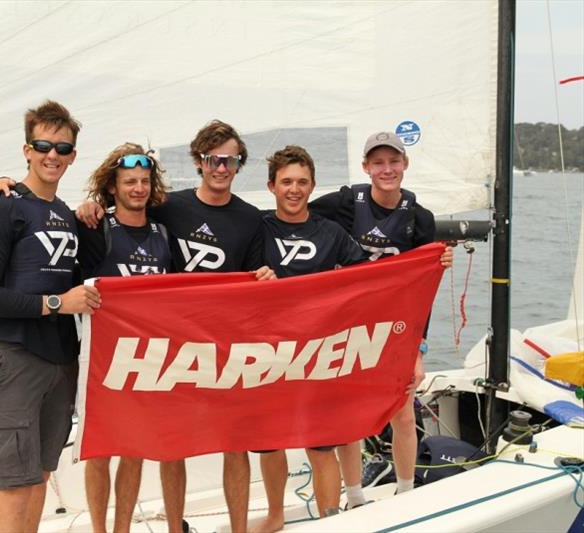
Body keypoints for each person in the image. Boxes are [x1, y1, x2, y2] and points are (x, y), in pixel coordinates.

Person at [77, 120, 275, 533]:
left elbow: (259, 280)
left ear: (239, 164)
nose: (221, 167)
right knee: (147, 448)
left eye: (230, 160)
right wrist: (86, 207)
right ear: (199, 162)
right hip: (142, 351)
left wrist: (265, 278)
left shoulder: (249, 219)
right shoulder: (170, 209)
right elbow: (110, 215)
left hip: (219, 345)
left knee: (231, 443)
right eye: (212, 159)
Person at [0, 100, 101, 533]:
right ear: (26, 149)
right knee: (13, 485)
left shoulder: (66, 215)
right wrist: (59, 304)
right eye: (43, 145)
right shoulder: (2, 206)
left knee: (41, 476)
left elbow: (91, 279)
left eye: (62, 149)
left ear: (73, 157)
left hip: (61, 359)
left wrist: (90, 219)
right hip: (15, 355)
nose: (52, 155)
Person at [308, 131, 453, 510]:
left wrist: (419, 349)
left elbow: (424, 288)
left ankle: (406, 494)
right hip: (348, 326)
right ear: (366, 167)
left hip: (395, 328)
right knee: (349, 417)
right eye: (378, 162)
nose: (386, 169)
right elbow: (297, 217)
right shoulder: (343, 203)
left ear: (405, 164)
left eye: (394, 161)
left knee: (403, 415)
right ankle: (355, 498)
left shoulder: (420, 218)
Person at [252, 145, 369, 532]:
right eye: (286, 181)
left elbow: (369, 282)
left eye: (302, 182)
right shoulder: (257, 229)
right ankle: (275, 516)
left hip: (318, 354)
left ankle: (330, 522)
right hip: (267, 352)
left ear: (313, 185)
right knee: (269, 444)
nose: (294, 189)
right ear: (271, 186)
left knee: (321, 444)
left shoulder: (332, 233)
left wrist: (430, 259)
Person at [77, 143, 171, 533]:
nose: (138, 188)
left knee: (134, 450)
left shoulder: (163, 233)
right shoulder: (95, 229)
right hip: (100, 358)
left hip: (146, 358)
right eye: (129, 181)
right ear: (112, 188)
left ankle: (122, 530)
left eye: (144, 181)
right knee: (100, 451)